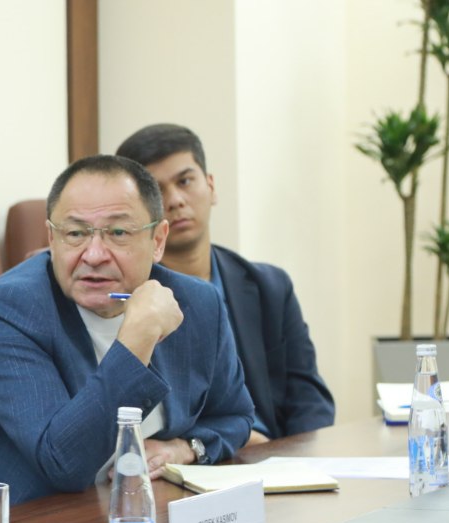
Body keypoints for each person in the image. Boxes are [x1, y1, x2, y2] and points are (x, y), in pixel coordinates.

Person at [0, 155, 253, 523]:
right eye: (75, 234)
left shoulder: (196, 303)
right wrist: (135, 344)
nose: (93, 255)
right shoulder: (6, 311)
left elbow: (235, 415)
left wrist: (184, 448)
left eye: (118, 233)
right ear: (51, 238)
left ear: (157, 240)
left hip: (123, 518)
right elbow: (65, 463)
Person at [116, 124, 334, 442]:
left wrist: (297, 458)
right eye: (158, 191)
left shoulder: (270, 287)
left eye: (185, 181)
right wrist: (238, 441)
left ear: (211, 186)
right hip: (194, 461)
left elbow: (310, 402)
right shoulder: (130, 300)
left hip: (279, 458)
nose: (175, 200)